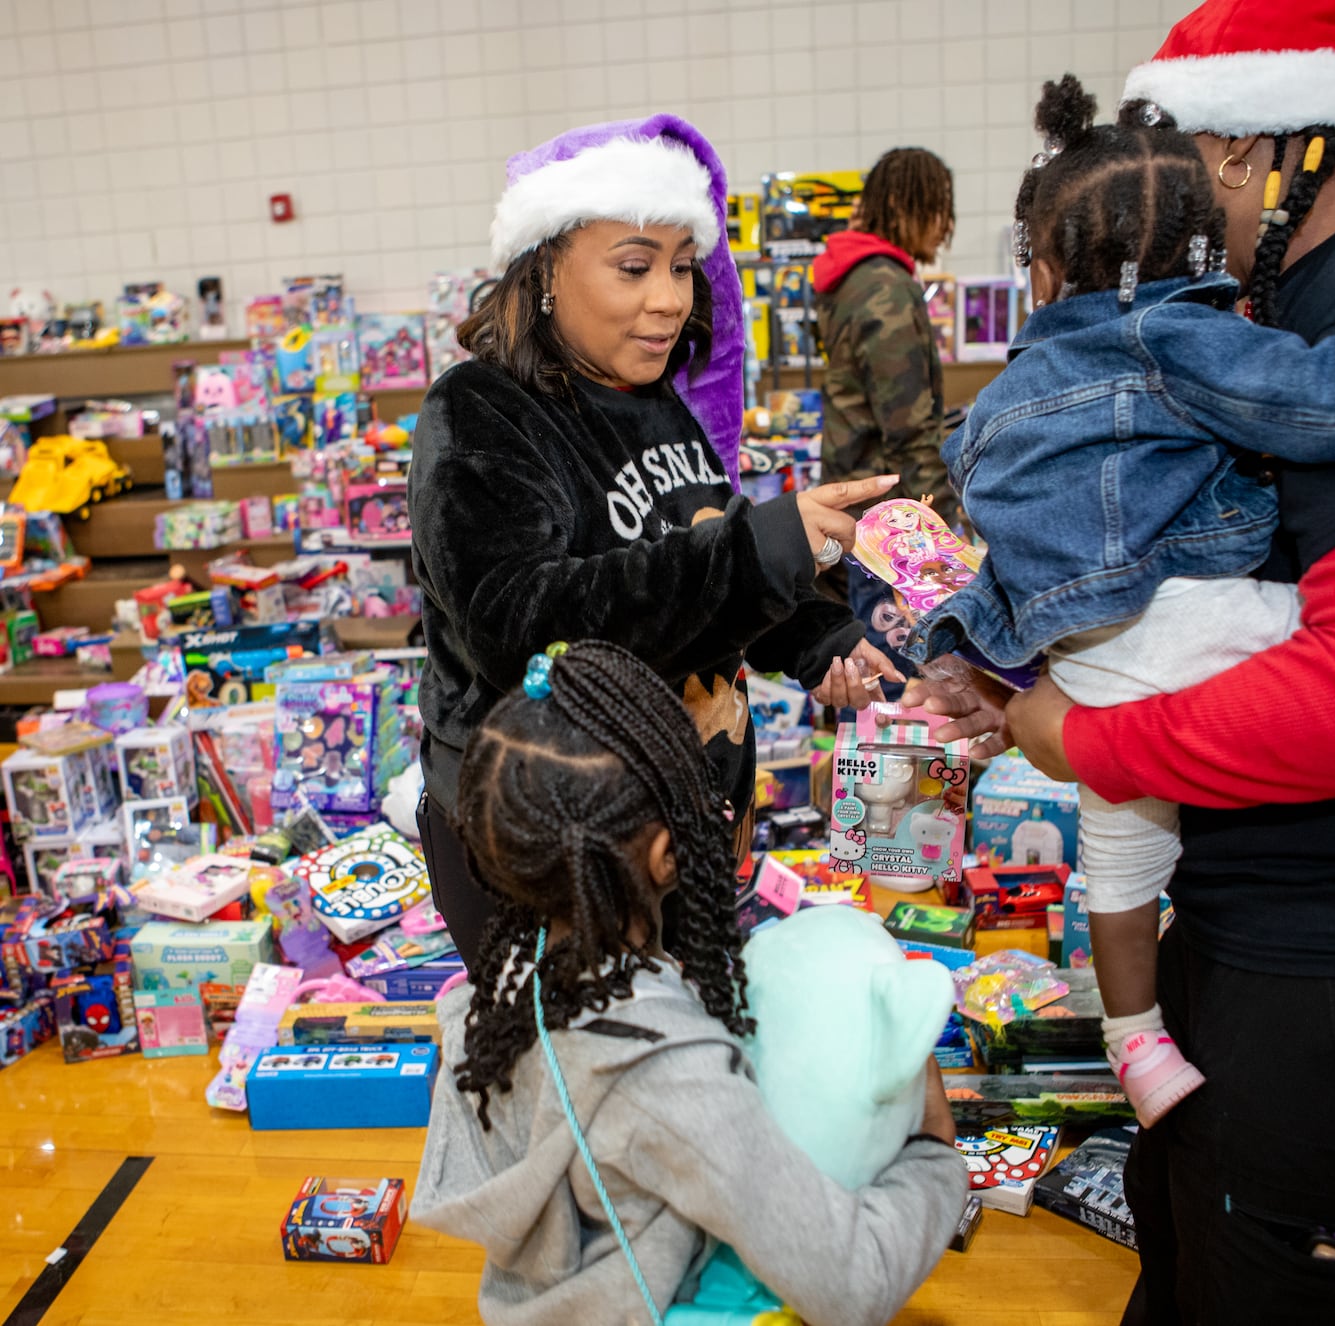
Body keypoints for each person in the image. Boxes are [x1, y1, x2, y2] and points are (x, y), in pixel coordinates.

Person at [914, 3, 1335, 1322]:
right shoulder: (1269, 312)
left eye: (1192, 155)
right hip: (1293, 943)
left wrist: (1074, 726)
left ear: (1255, 148)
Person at [409, 116, 899, 972]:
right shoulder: (481, 410)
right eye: (634, 267)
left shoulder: (655, 399)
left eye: (680, 265)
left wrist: (816, 636)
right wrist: (762, 549)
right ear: (547, 268)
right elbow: (520, 628)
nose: (669, 298)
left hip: (678, 833)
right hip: (554, 846)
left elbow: (695, 554)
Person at [409, 640, 967, 1326]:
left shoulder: (494, 995)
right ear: (665, 853)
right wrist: (932, 1151)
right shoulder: (664, 1075)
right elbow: (852, 1284)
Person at [814, 147, 957, 693]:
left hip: (866, 520)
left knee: (877, 678)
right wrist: (938, 544)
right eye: (938, 208)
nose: (944, 226)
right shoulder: (884, 287)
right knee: (905, 688)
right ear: (906, 205)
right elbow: (909, 428)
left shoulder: (857, 278)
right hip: (892, 531)